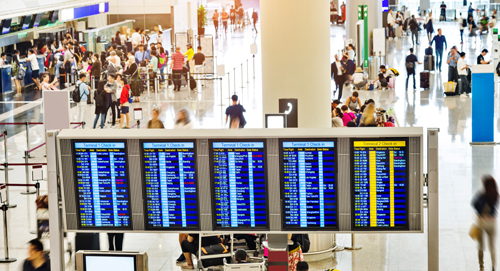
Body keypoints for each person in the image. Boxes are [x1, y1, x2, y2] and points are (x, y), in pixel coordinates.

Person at [472, 175, 498, 271]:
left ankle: (481, 267)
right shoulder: (495, 195)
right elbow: (493, 208)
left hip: (482, 222)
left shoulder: (481, 195)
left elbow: (474, 204)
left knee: (481, 246)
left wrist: (480, 214)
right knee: (492, 246)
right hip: (492, 222)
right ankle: (493, 267)